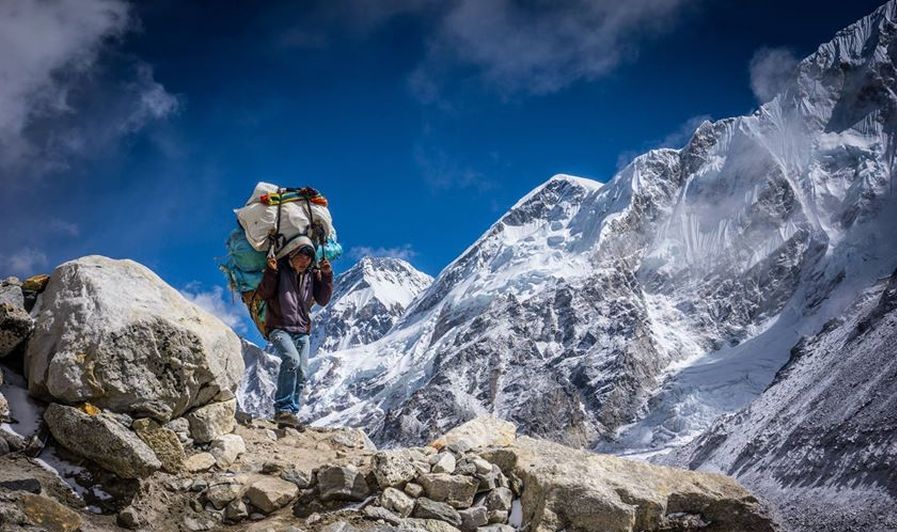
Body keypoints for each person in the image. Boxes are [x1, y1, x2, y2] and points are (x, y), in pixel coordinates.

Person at [256, 236, 333, 429]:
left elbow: (322, 299)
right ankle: (282, 409)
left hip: (302, 330)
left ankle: (292, 413)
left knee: (302, 371)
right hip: (279, 327)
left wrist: (326, 276)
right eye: (302, 255)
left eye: (309, 257)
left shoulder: (311, 275)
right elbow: (264, 294)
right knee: (291, 360)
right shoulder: (279, 270)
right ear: (292, 253)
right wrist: (271, 272)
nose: (305, 260)